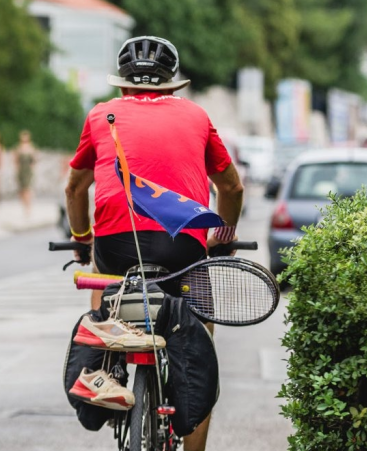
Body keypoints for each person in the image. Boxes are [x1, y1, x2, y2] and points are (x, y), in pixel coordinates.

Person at [64, 35, 244, 451]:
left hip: (116, 243)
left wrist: (80, 240)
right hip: (184, 247)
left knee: (104, 295)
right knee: (200, 347)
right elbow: (231, 188)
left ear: (122, 85)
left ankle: (107, 362)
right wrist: (222, 237)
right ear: (170, 84)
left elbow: (76, 188)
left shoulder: (100, 115)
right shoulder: (196, 116)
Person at [15, 130, 36, 214]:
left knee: (27, 188)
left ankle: (28, 206)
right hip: (21, 171)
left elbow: (34, 161)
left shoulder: (31, 148)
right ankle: (24, 205)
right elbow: (16, 161)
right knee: (21, 189)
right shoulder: (18, 148)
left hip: (28, 171)